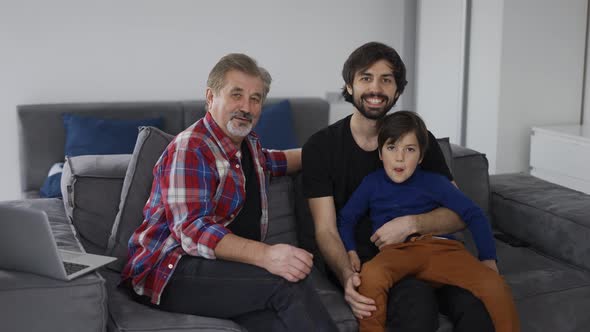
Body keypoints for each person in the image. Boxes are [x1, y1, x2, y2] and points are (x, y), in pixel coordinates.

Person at [121, 53, 338, 332]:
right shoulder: (191, 147)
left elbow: (277, 161)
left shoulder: (248, 147)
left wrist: (330, 152)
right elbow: (192, 229)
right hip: (171, 271)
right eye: (237, 95)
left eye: (255, 98)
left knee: (280, 322)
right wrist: (268, 255)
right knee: (286, 282)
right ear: (211, 98)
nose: (246, 107)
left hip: (223, 271)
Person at [302, 41, 495, 331]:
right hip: (372, 265)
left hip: (432, 252)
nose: (376, 88)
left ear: (397, 90)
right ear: (350, 86)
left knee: (479, 306)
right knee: (417, 307)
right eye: (366, 78)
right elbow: (326, 229)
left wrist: (411, 224)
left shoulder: (418, 140)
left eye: (386, 79)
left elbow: (457, 212)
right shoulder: (321, 147)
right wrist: (345, 276)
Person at [338, 110, 520, 332]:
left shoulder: (435, 182)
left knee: (495, 286)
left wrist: (488, 259)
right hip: (397, 252)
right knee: (371, 276)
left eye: (410, 149)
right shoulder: (371, 183)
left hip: (441, 249)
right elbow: (346, 218)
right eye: (391, 147)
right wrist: (350, 251)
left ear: (421, 157)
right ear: (380, 153)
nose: (399, 157)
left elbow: (474, 214)